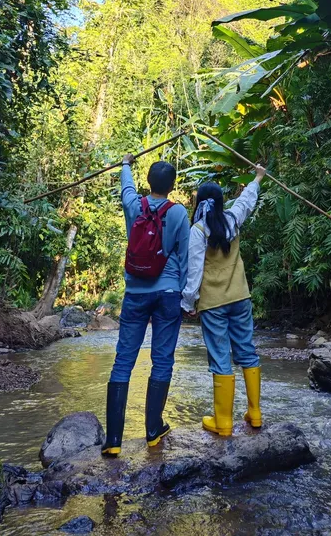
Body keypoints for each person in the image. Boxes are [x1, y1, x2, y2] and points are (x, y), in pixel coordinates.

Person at [102, 155, 190, 457]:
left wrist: (126, 164)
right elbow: (185, 257)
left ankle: (114, 440)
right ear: (172, 185)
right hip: (168, 292)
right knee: (162, 360)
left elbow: (126, 187)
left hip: (135, 292)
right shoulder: (178, 212)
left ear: (148, 182)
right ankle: (153, 431)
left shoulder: (134, 205)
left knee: (123, 361)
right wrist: (186, 296)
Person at [181, 165, 265, 436]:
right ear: (220, 202)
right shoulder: (232, 219)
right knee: (247, 351)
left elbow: (195, 271)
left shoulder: (198, 231)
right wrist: (258, 177)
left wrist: (188, 303)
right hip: (240, 296)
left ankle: (224, 422)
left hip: (213, 303)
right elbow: (246, 201)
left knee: (220, 358)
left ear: (199, 203)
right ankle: (255, 414)